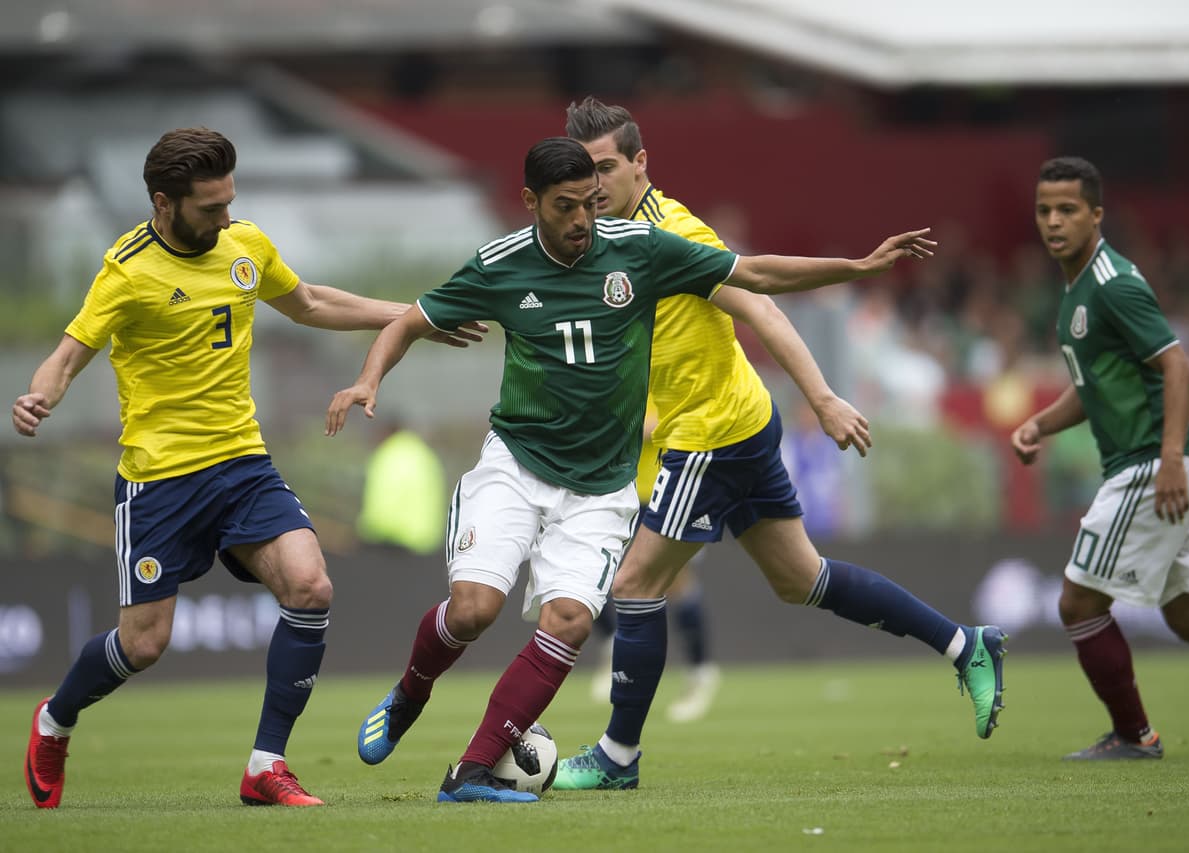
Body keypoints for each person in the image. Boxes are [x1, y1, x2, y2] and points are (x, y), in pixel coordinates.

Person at [326, 135, 937, 804]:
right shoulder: (500, 263)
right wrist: (367, 379)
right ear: (531, 203)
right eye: (566, 207)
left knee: (569, 621)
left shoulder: (638, 249)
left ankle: (469, 772)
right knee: (473, 611)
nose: (583, 219)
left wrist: (858, 265)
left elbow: (754, 275)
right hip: (517, 464)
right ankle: (411, 690)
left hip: (599, 485)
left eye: (589, 203)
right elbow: (410, 320)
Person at [12, 127, 480, 810]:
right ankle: (55, 718)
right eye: (210, 208)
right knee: (144, 644)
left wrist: (413, 316)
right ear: (163, 204)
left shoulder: (245, 246)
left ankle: (266, 764)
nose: (226, 218)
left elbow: (311, 302)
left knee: (311, 584)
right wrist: (39, 396)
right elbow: (68, 353)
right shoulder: (127, 270)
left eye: (230, 202)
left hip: (242, 464)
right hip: (161, 481)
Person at [551, 98, 1007, 792]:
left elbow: (759, 296)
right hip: (738, 420)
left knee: (636, 584)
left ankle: (617, 755)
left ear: (642, 163)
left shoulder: (672, 232)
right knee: (802, 578)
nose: (595, 183)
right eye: (585, 171)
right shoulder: (601, 237)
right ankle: (963, 643)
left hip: (710, 434)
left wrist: (822, 396)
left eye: (608, 167)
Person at [1012, 156, 1189, 760]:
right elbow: (1093, 390)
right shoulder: (1076, 288)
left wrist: (1169, 459)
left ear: (1096, 215)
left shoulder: (1112, 283)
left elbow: (1178, 364)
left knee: (1079, 603)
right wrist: (1040, 423)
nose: (1053, 222)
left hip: (1150, 466)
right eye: (1044, 210)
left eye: (1068, 210)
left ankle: (1135, 737)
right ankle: (1134, 734)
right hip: (1167, 463)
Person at [589, 404, 720, 723]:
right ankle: (612, 648)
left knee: (674, 583)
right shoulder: (622, 368)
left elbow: (675, 424)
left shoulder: (670, 372)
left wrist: (633, 427)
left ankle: (699, 672)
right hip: (617, 491)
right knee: (591, 571)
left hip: (668, 491)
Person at [357, 418, 448, 555]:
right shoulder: (425, 453)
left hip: (394, 543)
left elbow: (384, 501)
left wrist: (365, 532)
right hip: (427, 544)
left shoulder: (390, 454)